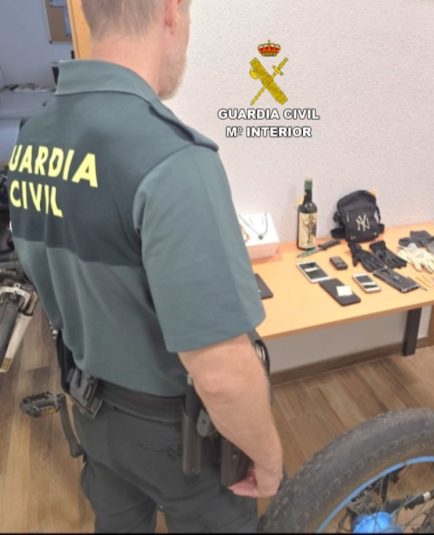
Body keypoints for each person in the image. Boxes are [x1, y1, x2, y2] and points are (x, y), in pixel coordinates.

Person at [6, 0, 283, 531]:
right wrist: (269, 459)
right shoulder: (174, 160)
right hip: (174, 434)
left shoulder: (34, 137)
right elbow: (221, 372)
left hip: (91, 406)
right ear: (171, 12)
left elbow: (43, 269)